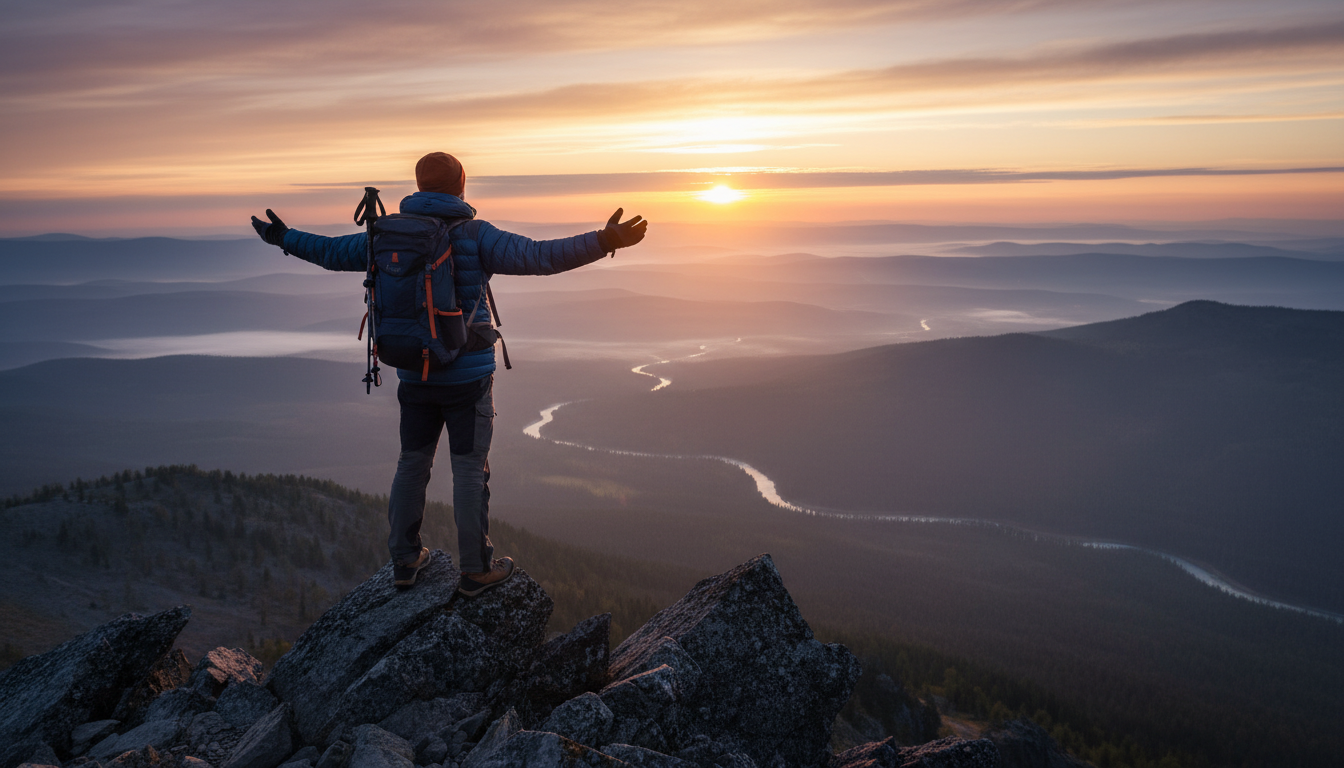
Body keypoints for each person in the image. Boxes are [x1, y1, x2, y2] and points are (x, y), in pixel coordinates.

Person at [250, 151, 647, 595]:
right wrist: (603, 239)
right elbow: (540, 256)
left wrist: (282, 236)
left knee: (411, 463)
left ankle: (404, 560)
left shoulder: (384, 235)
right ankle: (476, 569)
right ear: (461, 183)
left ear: (418, 186)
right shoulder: (476, 235)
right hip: (468, 377)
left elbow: (326, 251)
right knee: (470, 470)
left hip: (413, 373)